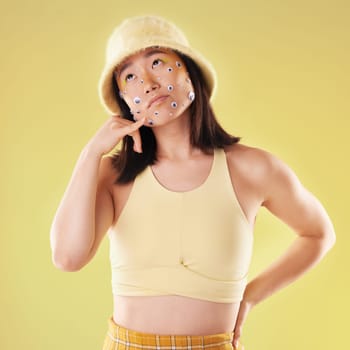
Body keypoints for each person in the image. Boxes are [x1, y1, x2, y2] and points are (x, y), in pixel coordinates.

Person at [50, 15, 336, 350]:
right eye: (129, 75)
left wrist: (250, 298)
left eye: (157, 61)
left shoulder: (253, 168)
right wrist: (90, 154)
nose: (147, 81)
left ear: (189, 70)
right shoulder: (112, 176)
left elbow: (319, 234)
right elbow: (68, 258)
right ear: (124, 102)